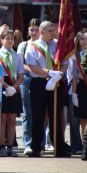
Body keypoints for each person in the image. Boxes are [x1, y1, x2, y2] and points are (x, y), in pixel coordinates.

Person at [24, 21, 71, 157]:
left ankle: (59, 146)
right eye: (50, 31)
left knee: (55, 115)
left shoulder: (57, 45)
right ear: (42, 32)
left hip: (56, 82)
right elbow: (33, 67)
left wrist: (57, 76)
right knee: (37, 116)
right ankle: (36, 147)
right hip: (39, 83)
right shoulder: (32, 46)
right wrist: (50, 73)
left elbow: (65, 63)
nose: (54, 33)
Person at [0, 29, 24, 157]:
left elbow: (21, 75)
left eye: (12, 39)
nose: (10, 41)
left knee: (12, 119)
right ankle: (0, 146)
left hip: (14, 86)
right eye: (7, 38)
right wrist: (6, 87)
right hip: (1, 85)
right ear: (1, 40)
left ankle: (10, 146)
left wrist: (14, 88)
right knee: (2, 119)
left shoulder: (17, 56)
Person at [16, 18, 41, 156]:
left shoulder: (43, 44)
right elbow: (21, 64)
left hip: (41, 80)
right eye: (31, 29)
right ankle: (27, 143)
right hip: (27, 80)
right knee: (27, 113)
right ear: (28, 31)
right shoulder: (23, 45)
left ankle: (40, 143)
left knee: (40, 113)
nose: (34, 32)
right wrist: (32, 69)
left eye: (36, 29)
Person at [69, 30, 87, 156]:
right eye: (82, 39)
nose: (85, 41)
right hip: (82, 88)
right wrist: (74, 94)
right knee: (84, 119)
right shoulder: (76, 56)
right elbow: (74, 76)